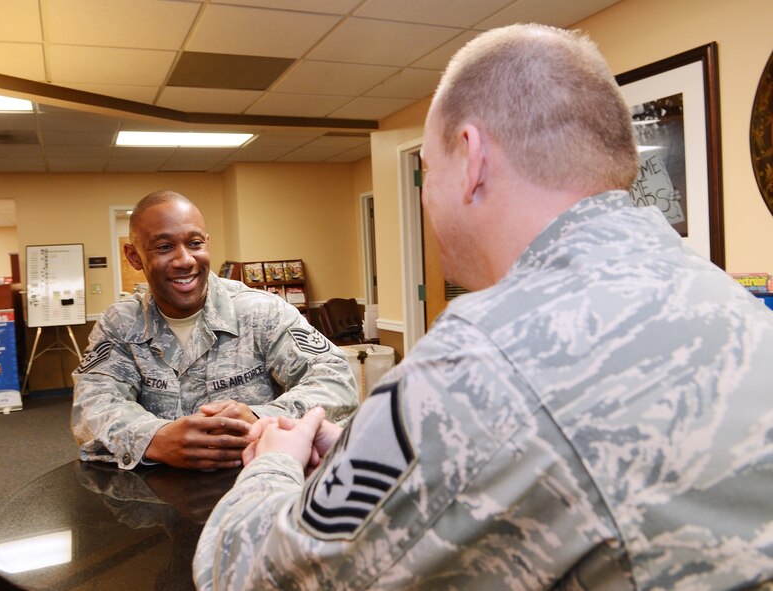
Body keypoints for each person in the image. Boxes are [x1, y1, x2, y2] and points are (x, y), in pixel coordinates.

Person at [193, 24, 773, 590]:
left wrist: (274, 463)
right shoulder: (729, 301)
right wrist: (354, 450)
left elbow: (255, 575)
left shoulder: (482, 353)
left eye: (429, 170)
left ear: (471, 158)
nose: (427, 194)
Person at [71, 190, 357, 471]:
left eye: (194, 243)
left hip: (258, 483)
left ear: (207, 243)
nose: (185, 260)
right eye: (164, 247)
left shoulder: (262, 312)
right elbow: (91, 406)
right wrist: (154, 438)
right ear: (134, 257)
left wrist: (262, 417)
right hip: (158, 493)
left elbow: (334, 380)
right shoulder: (120, 325)